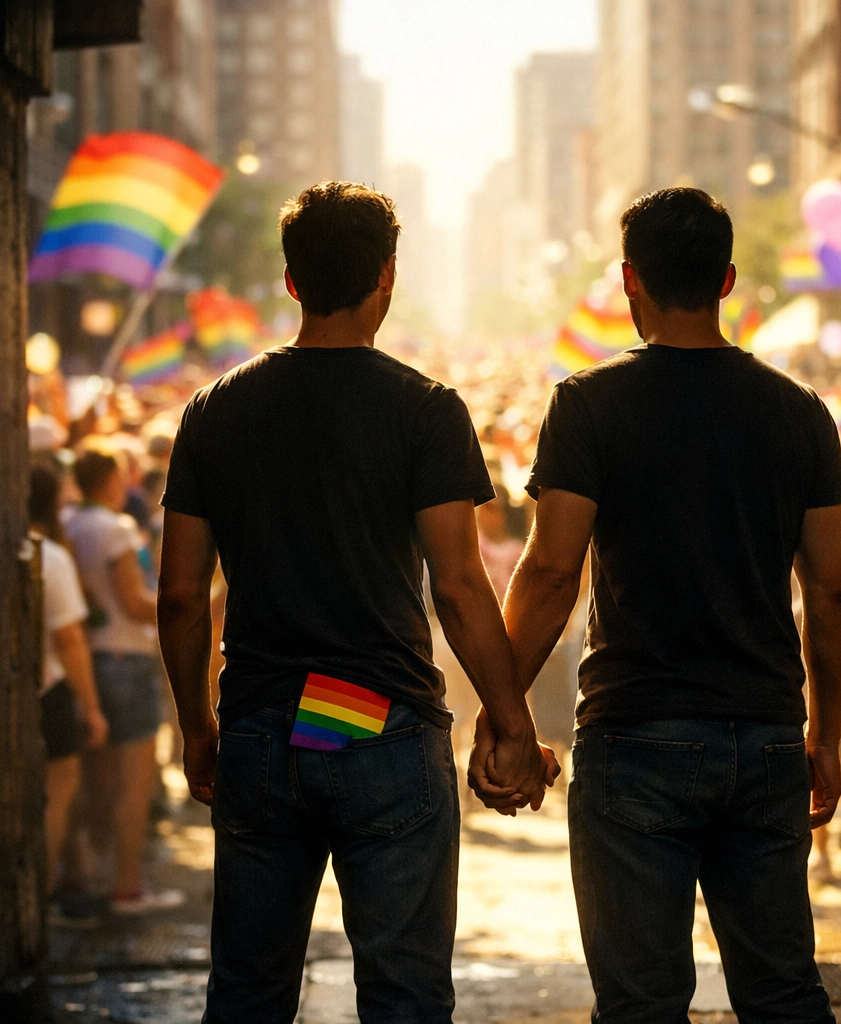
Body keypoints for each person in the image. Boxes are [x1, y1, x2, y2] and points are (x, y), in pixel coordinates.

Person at [155, 182, 551, 1024]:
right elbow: (458, 581)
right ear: (388, 276)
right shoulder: (425, 409)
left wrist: (196, 728)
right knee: (404, 997)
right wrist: (510, 721)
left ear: (291, 281)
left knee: (248, 993)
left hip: (262, 726)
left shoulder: (215, 410)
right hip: (381, 725)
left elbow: (184, 593)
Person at [475, 188, 841, 1022]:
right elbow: (830, 591)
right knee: (784, 991)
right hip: (762, 734)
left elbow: (548, 575)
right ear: (726, 279)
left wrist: (500, 711)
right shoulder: (801, 413)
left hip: (634, 735)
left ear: (628, 279)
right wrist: (825, 733)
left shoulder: (589, 403)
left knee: (641, 1002)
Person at [64, 445, 185, 914]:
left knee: (96, 781)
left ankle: (87, 875)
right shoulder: (113, 528)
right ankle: (127, 886)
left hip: (90, 662)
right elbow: (133, 603)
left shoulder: (71, 523)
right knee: (133, 784)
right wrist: (180, 605)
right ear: (110, 480)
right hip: (126, 661)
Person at [29, 464, 109, 913]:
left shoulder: (11, 546)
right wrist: (93, 708)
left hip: (31, 692)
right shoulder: (50, 556)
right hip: (50, 692)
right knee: (54, 802)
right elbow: (71, 640)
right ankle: (37, 904)